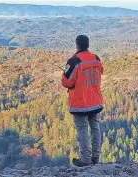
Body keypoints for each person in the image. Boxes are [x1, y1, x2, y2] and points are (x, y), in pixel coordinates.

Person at [61, 35, 104, 167]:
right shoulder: (96, 59)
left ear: (77, 45)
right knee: (95, 128)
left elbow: (66, 82)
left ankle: (85, 159)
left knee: (83, 130)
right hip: (95, 100)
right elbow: (100, 71)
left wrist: (64, 75)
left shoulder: (74, 61)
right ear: (88, 44)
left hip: (80, 102)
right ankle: (96, 157)